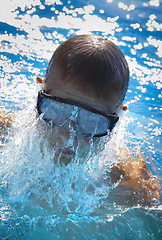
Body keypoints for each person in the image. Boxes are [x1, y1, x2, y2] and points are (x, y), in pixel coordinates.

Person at [0, 34, 160, 205]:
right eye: (57, 110)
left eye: (90, 121)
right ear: (40, 89)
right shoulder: (4, 132)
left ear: (119, 117)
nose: (67, 135)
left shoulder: (130, 187)